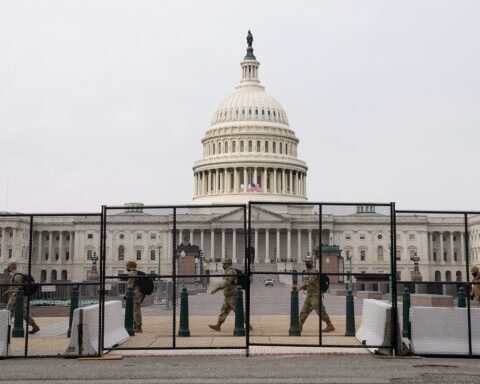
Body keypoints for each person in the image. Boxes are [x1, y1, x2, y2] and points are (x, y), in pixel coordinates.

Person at [208, 258, 252, 331]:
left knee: (238, 311)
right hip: (228, 295)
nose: (223, 265)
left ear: (228, 264)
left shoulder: (231, 272)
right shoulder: (228, 271)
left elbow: (226, 283)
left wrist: (216, 289)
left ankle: (249, 326)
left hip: (232, 296)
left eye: (224, 264)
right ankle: (218, 325)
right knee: (224, 310)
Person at [297, 255, 335, 333]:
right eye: (306, 261)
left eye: (309, 261)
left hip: (315, 295)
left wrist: (299, 288)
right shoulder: (306, 271)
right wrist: (302, 287)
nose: (307, 263)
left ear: (312, 262)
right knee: (304, 310)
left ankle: (330, 325)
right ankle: (300, 325)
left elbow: (310, 281)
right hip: (309, 294)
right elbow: (305, 282)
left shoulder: (314, 271)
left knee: (320, 310)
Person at [3, 262, 40, 334]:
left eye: (8, 268)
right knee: (23, 312)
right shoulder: (16, 275)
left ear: (10, 268)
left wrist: (8, 291)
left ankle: (3, 327)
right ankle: (34, 326)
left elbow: (19, 289)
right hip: (16, 297)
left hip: (16, 297)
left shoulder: (17, 276)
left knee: (9, 312)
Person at [126, 260, 144, 333]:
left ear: (129, 266)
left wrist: (128, 293)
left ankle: (138, 327)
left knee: (135, 311)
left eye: (127, 266)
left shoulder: (131, 273)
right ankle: (137, 326)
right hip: (139, 293)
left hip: (135, 294)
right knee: (137, 310)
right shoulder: (137, 272)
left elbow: (130, 285)